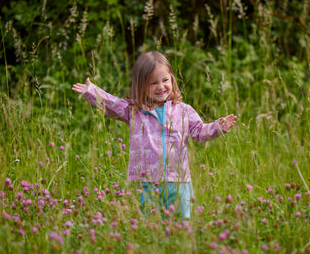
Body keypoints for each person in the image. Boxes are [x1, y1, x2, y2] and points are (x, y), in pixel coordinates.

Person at [72, 51, 236, 219]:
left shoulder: (183, 110)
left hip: (178, 181)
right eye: (153, 83)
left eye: (165, 80)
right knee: (146, 224)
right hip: (144, 183)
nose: (161, 87)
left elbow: (199, 132)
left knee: (181, 224)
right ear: (141, 85)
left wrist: (219, 126)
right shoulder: (134, 110)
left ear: (172, 79)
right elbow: (111, 103)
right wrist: (91, 91)